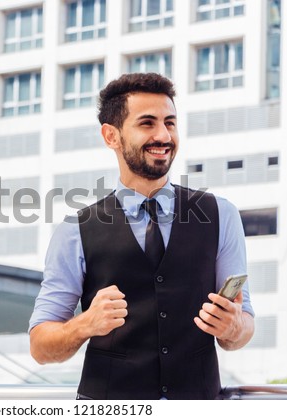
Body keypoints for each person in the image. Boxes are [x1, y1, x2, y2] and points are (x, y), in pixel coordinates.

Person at [28, 73, 255, 400]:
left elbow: (243, 324)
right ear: (111, 136)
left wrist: (234, 328)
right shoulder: (74, 230)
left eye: (170, 123)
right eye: (147, 123)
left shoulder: (221, 215)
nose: (163, 135)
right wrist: (85, 324)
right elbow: (40, 347)